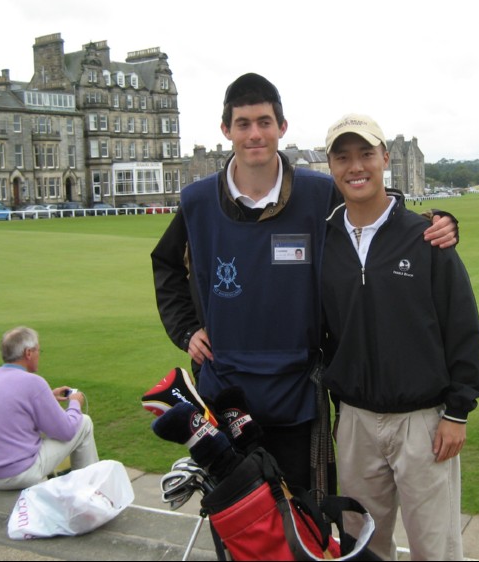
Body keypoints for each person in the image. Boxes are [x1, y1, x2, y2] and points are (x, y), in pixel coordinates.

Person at [150, 73, 459, 493]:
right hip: (224, 391)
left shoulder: (317, 194)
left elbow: (375, 206)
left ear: (282, 127)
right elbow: (165, 264)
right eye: (243, 124)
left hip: (299, 390)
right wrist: (186, 329)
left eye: (264, 122)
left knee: (306, 524)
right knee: (241, 522)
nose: (255, 133)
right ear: (226, 130)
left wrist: (438, 221)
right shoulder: (198, 200)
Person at [320, 114, 479, 561]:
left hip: (424, 423)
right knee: (362, 549)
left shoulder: (426, 235)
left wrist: (458, 411)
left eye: (366, 154)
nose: (355, 166)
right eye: (343, 157)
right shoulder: (325, 241)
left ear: (385, 159)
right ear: (331, 166)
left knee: (435, 548)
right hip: (355, 420)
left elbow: (462, 326)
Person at [0, 326, 98, 490]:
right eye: (38, 351)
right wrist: (75, 403)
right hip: (13, 475)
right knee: (83, 423)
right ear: (28, 353)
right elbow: (67, 431)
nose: (38, 355)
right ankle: (90, 491)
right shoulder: (33, 382)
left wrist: (47, 396)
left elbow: (11, 406)